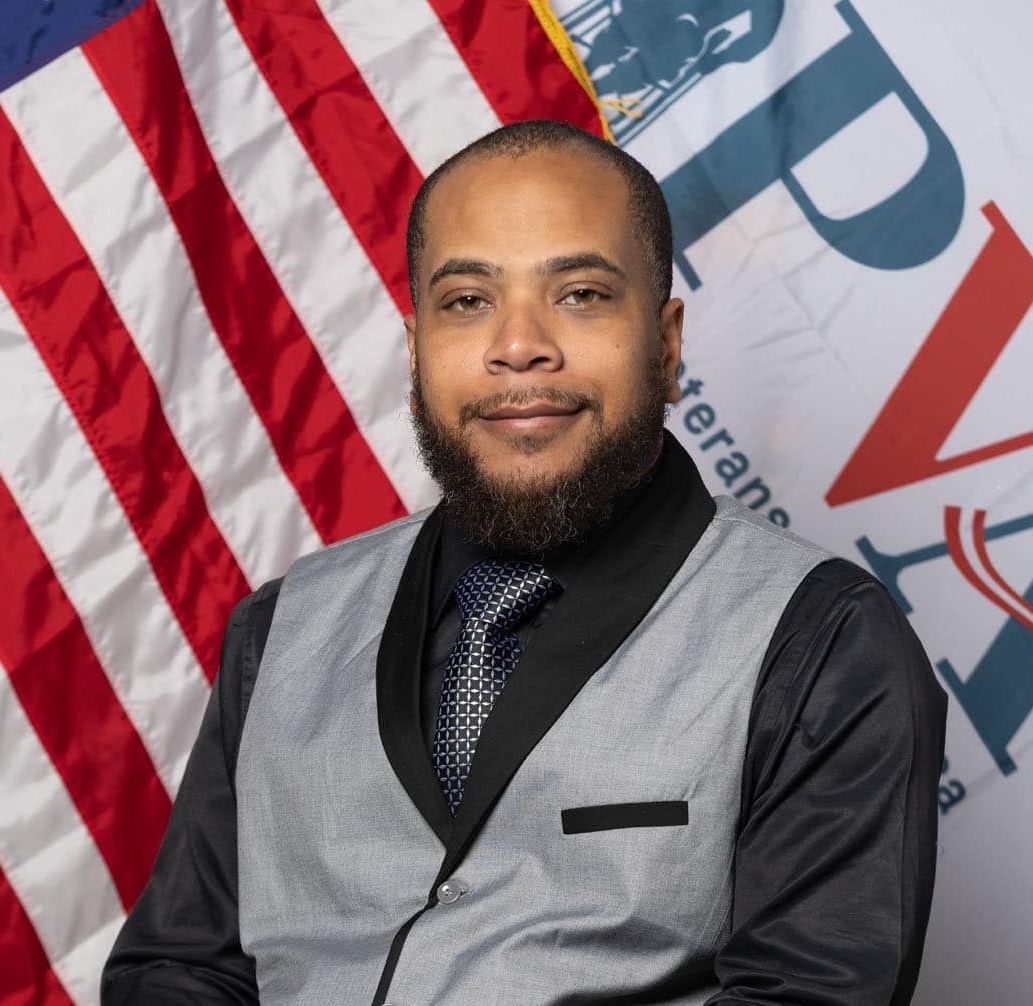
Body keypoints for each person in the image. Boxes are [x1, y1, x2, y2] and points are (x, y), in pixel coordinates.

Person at [102, 119, 947, 1006]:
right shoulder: (280, 628)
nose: (518, 345)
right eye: (468, 300)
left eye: (580, 293)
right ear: (415, 349)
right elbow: (180, 969)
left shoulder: (822, 640)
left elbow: (807, 995)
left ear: (665, 346)